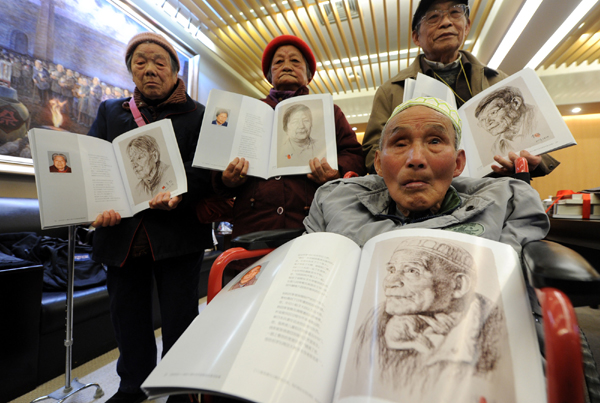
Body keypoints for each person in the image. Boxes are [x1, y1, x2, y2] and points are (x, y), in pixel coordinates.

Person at [87, 32, 214, 403]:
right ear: (131, 70)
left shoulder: (199, 114)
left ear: (176, 71)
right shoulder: (111, 112)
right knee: (127, 317)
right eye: (140, 62)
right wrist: (99, 206)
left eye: (160, 62)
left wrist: (179, 191)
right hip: (122, 234)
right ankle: (132, 387)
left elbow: (206, 172)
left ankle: (178, 389)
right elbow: (95, 163)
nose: (150, 69)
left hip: (178, 232)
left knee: (179, 318)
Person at [304, 96, 549, 254]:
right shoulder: (333, 201)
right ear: (378, 164)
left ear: (458, 163)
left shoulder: (507, 202)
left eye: (435, 140)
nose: (416, 159)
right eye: (400, 143)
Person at [361, 0, 559, 178]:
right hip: (423, 193)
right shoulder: (391, 91)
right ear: (416, 37)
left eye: (455, 13)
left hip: (495, 191)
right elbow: (372, 152)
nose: (446, 22)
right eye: (433, 17)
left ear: (467, 26)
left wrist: (533, 161)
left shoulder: (502, 83)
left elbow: (535, 139)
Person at [212, 35, 366, 240]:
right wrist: (225, 179)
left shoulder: (328, 111)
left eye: (295, 61)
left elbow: (354, 154)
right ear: (269, 74)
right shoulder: (248, 112)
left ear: (308, 73)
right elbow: (220, 160)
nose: (286, 66)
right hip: (254, 227)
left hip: (312, 222)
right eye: (278, 62)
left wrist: (335, 171)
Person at [349, 238, 505, 401]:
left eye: (412, 271)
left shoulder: (496, 327)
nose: (389, 282)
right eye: (391, 269)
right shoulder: (376, 318)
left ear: (459, 285)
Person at [475, 86, 537, 156]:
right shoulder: (496, 148)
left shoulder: (539, 118)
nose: (487, 123)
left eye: (493, 113)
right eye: (482, 120)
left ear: (515, 103)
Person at [126, 134, 176, 202]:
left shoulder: (172, 174)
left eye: (139, 158)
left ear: (155, 156)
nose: (134, 165)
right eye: (132, 160)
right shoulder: (138, 190)